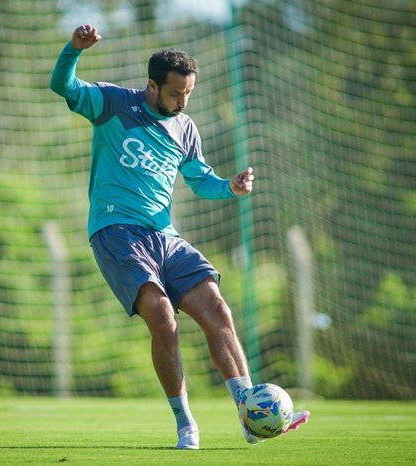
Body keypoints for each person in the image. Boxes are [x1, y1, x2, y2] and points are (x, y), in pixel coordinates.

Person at [50, 24, 309, 449]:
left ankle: (247, 413)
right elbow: (62, 84)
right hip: (116, 232)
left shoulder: (185, 128)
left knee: (217, 310)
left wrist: (231, 186)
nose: (183, 102)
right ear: (152, 85)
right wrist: (73, 50)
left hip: (165, 236)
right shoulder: (113, 103)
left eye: (189, 93)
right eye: (175, 94)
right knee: (163, 318)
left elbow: (200, 180)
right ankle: (185, 423)